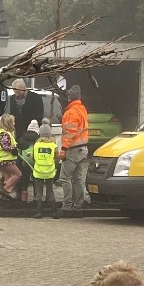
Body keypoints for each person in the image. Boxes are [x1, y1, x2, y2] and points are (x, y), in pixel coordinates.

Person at [59, 84, 90, 215]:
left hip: (72, 149)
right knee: (77, 179)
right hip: (82, 149)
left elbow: (70, 133)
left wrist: (64, 149)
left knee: (64, 178)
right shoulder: (82, 109)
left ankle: (66, 205)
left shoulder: (71, 112)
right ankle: (78, 205)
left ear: (69, 98)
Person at [30, 121, 60, 218]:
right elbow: (57, 159)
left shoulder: (36, 145)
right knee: (50, 190)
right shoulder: (53, 146)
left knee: (39, 191)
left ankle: (38, 212)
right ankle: (53, 212)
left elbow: (33, 158)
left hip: (38, 172)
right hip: (50, 172)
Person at [0, 114, 22, 199]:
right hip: (5, 159)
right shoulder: (5, 134)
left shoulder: (0, 132)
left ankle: (3, 197)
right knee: (18, 174)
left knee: (8, 177)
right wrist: (13, 150)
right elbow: (5, 147)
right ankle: (4, 190)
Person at [10, 80, 45, 149]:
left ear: (23, 89)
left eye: (18, 92)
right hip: (17, 133)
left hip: (31, 134)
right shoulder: (12, 99)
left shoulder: (36, 98)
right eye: (15, 92)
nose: (16, 94)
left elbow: (39, 116)